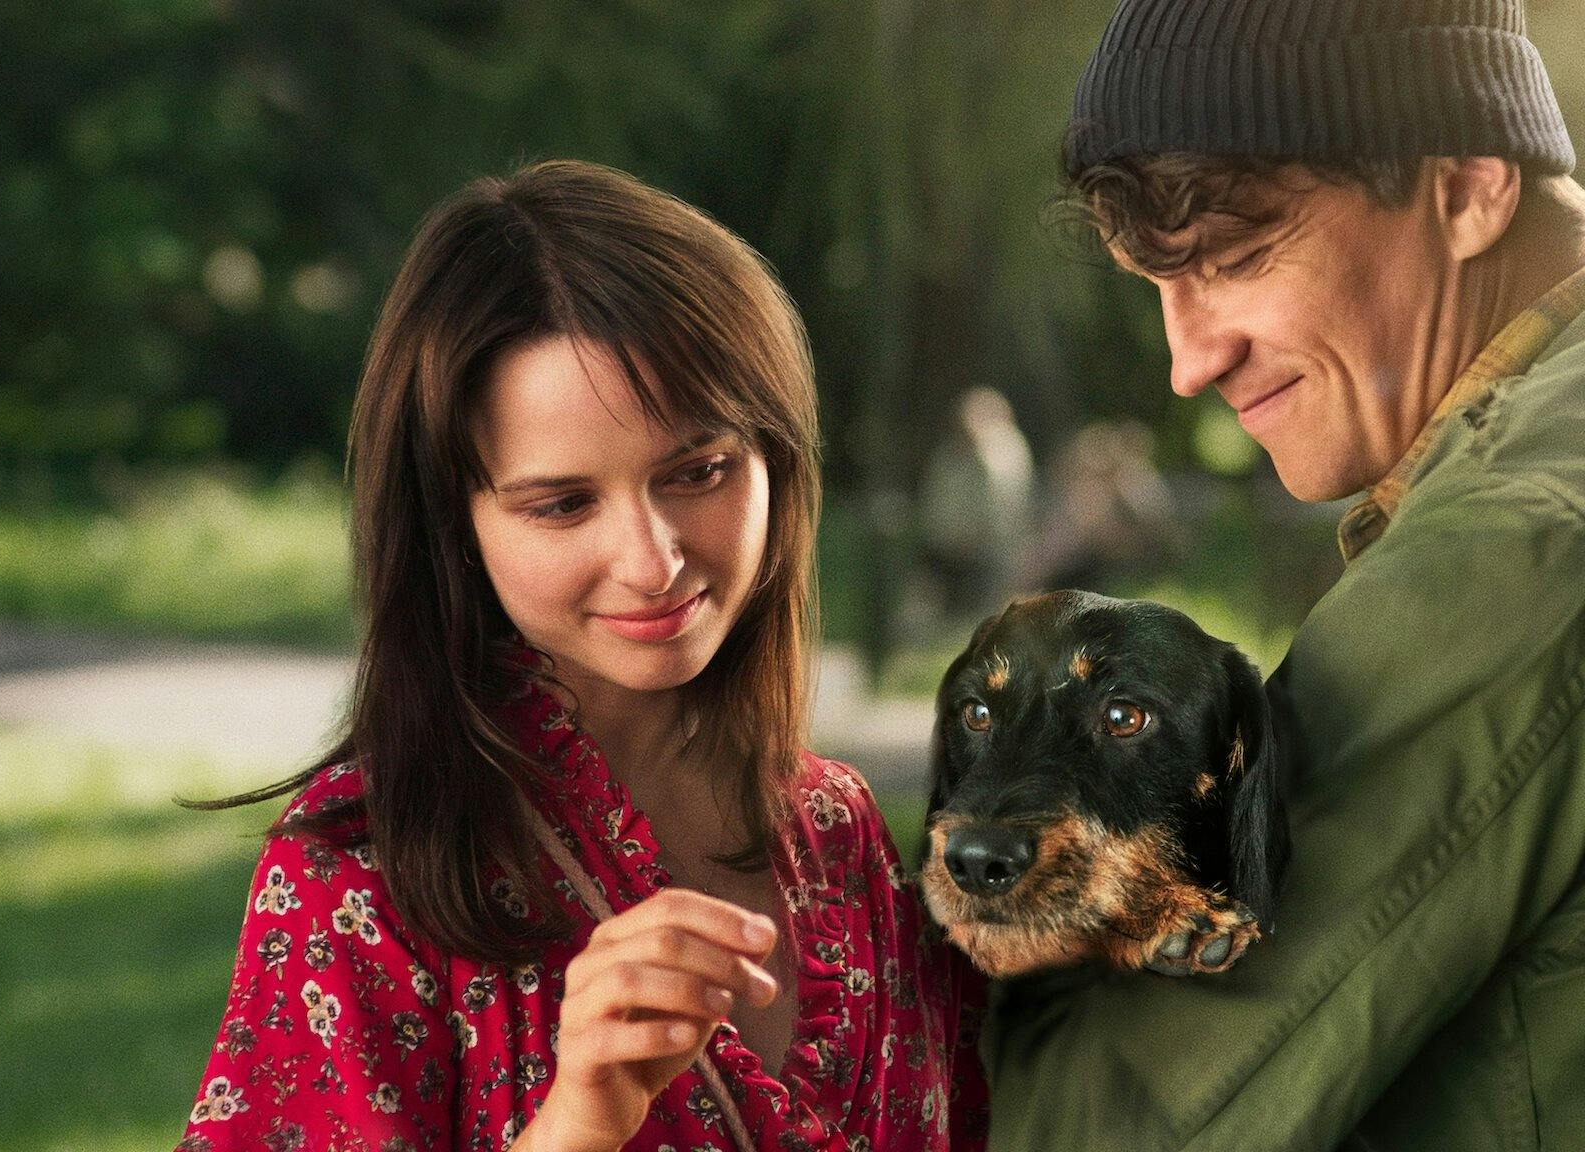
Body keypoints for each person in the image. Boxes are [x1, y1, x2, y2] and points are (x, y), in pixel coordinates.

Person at [173, 160, 987, 1152]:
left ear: (776, 459)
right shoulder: (357, 876)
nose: (652, 561)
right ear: (453, 522)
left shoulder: (837, 828)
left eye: (699, 471)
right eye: (561, 504)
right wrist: (577, 1123)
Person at [982, 1, 1585, 1149]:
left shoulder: (1520, 536)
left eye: (1234, 258)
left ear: (1467, 184)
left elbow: (1119, 1114)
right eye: (1156, 281)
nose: (1186, 360)